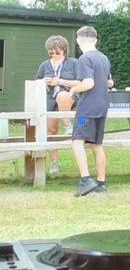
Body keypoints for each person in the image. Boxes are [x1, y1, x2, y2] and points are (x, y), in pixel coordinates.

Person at [68, 26, 111, 197]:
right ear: (95, 40)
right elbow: (109, 82)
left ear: (78, 41)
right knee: (97, 145)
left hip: (86, 111)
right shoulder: (104, 58)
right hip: (102, 108)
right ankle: (101, 184)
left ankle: (85, 180)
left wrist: (74, 89)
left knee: (77, 140)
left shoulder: (85, 58)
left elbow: (88, 83)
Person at [34, 35, 79, 173]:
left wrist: (60, 81)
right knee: (50, 131)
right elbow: (36, 82)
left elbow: (80, 82)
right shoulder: (44, 65)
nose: (54, 54)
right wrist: (44, 82)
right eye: (51, 52)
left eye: (57, 52)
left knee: (62, 95)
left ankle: (68, 125)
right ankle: (54, 163)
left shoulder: (73, 63)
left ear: (64, 50)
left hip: (69, 96)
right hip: (50, 100)